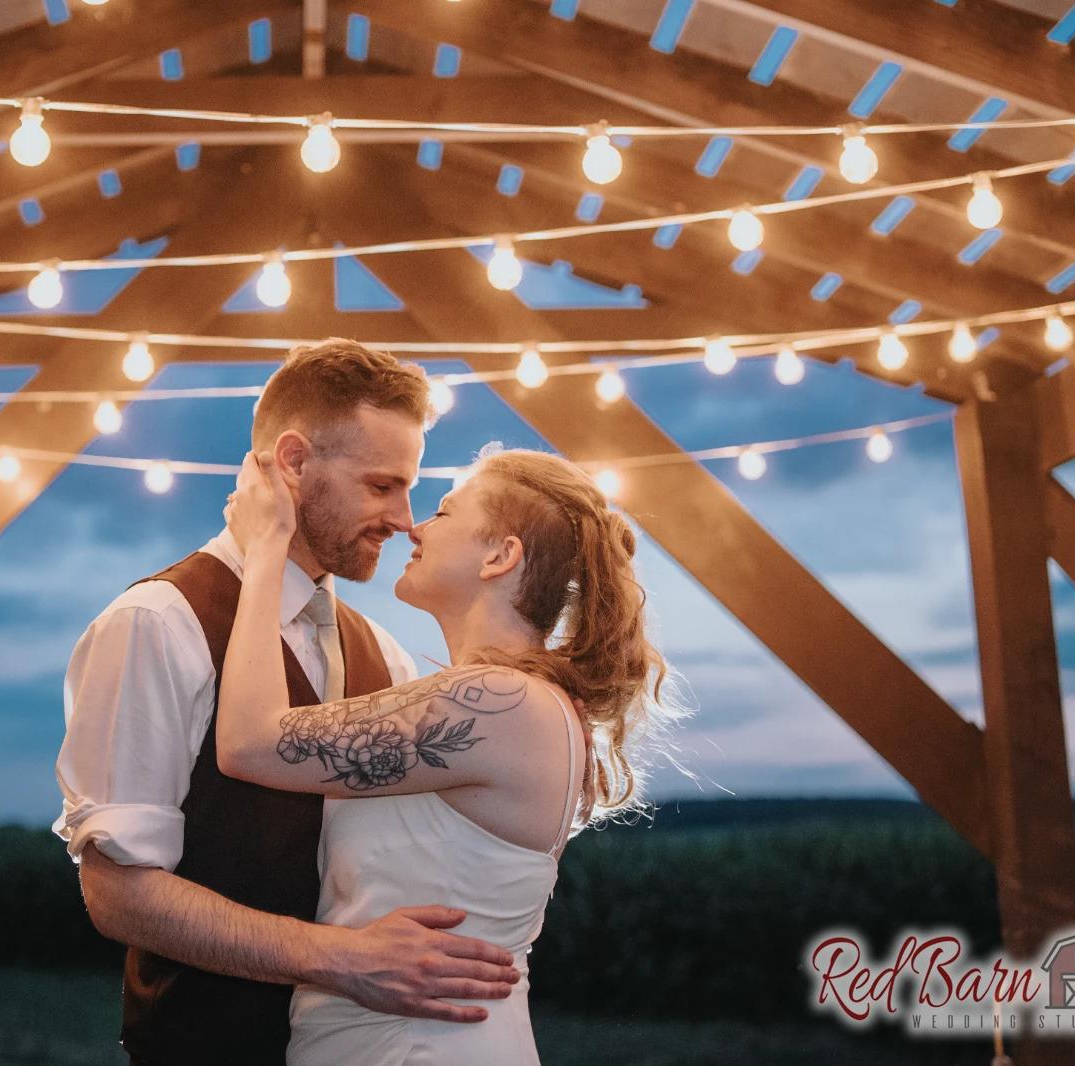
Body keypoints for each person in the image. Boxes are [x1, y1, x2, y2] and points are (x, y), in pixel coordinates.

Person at [52, 339, 523, 1066]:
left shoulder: (383, 652)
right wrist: (341, 959)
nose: (404, 519)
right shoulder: (157, 623)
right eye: (381, 486)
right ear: (294, 462)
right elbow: (118, 892)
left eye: (409, 489)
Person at [215, 443, 686, 1065]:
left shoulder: (495, 700)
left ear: (500, 555)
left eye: (442, 511)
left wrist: (266, 545)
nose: (415, 526)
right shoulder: (514, 701)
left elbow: (250, 742)